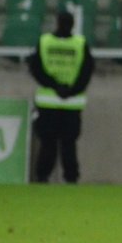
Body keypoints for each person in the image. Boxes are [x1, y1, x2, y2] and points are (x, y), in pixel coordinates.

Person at [28, 10, 95, 184]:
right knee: (68, 144)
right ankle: (70, 177)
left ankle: (42, 176)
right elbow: (86, 72)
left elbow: (36, 69)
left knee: (48, 142)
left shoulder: (45, 42)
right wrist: (71, 90)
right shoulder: (80, 43)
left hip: (48, 101)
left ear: (57, 22)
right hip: (72, 102)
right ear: (73, 24)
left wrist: (53, 85)